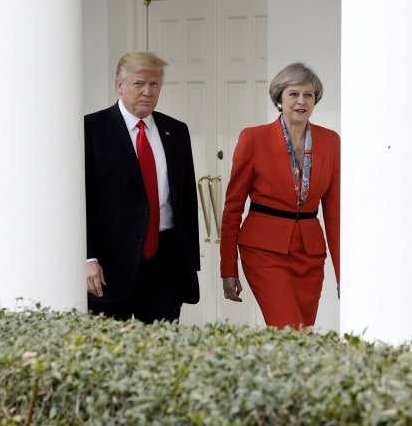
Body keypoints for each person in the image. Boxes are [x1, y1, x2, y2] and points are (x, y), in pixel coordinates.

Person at [220, 62, 340, 328]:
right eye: (293, 94)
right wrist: (228, 268)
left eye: (308, 95)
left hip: (309, 253)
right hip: (263, 250)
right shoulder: (253, 138)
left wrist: (343, 275)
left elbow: (335, 214)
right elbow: (233, 208)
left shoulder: (331, 141)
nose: (301, 101)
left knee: (304, 333)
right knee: (288, 329)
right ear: (279, 99)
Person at [84, 51, 200, 323]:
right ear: (119, 86)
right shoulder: (91, 129)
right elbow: (81, 200)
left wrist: (190, 263)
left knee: (162, 351)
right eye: (139, 84)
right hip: (109, 265)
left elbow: (186, 200)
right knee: (108, 353)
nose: (147, 92)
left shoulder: (176, 131)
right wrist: (88, 257)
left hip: (166, 261)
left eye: (154, 84)